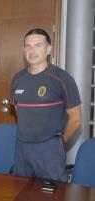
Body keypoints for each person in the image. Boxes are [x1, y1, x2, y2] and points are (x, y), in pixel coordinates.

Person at [10, 28, 82, 182]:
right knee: (20, 192)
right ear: (24, 50)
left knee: (52, 195)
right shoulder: (17, 79)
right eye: (28, 46)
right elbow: (19, 112)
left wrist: (59, 143)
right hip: (22, 148)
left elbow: (76, 119)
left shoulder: (62, 79)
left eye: (38, 45)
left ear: (48, 49)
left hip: (49, 150)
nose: (32, 50)